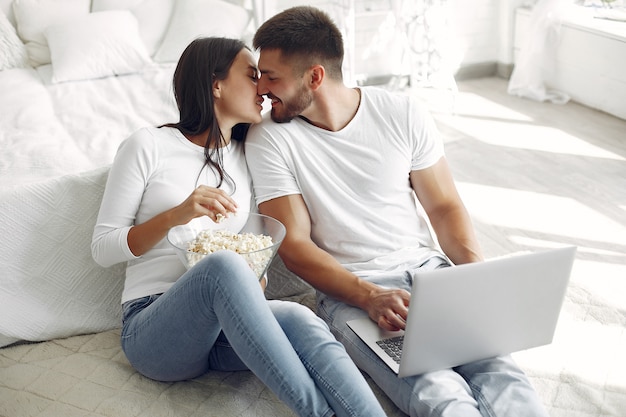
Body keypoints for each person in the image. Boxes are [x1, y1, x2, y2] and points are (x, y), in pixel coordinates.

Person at [245, 6, 550, 417]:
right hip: (354, 292)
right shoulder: (270, 140)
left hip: (431, 274)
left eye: (272, 76)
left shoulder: (401, 112)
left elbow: (443, 206)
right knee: (437, 392)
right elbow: (294, 245)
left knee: (502, 373)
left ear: (314, 76)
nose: (260, 88)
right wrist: (369, 296)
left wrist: (476, 277)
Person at [91, 36, 387, 417]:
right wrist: (177, 214)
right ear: (216, 85)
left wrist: (255, 277)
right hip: (154, 329)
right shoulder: (148, 145)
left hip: (223, 328)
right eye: (251, 76)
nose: (262, 88)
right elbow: (103, 248)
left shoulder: (245, 156)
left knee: (301, 317)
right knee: (224, 265)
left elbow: (249, 252)